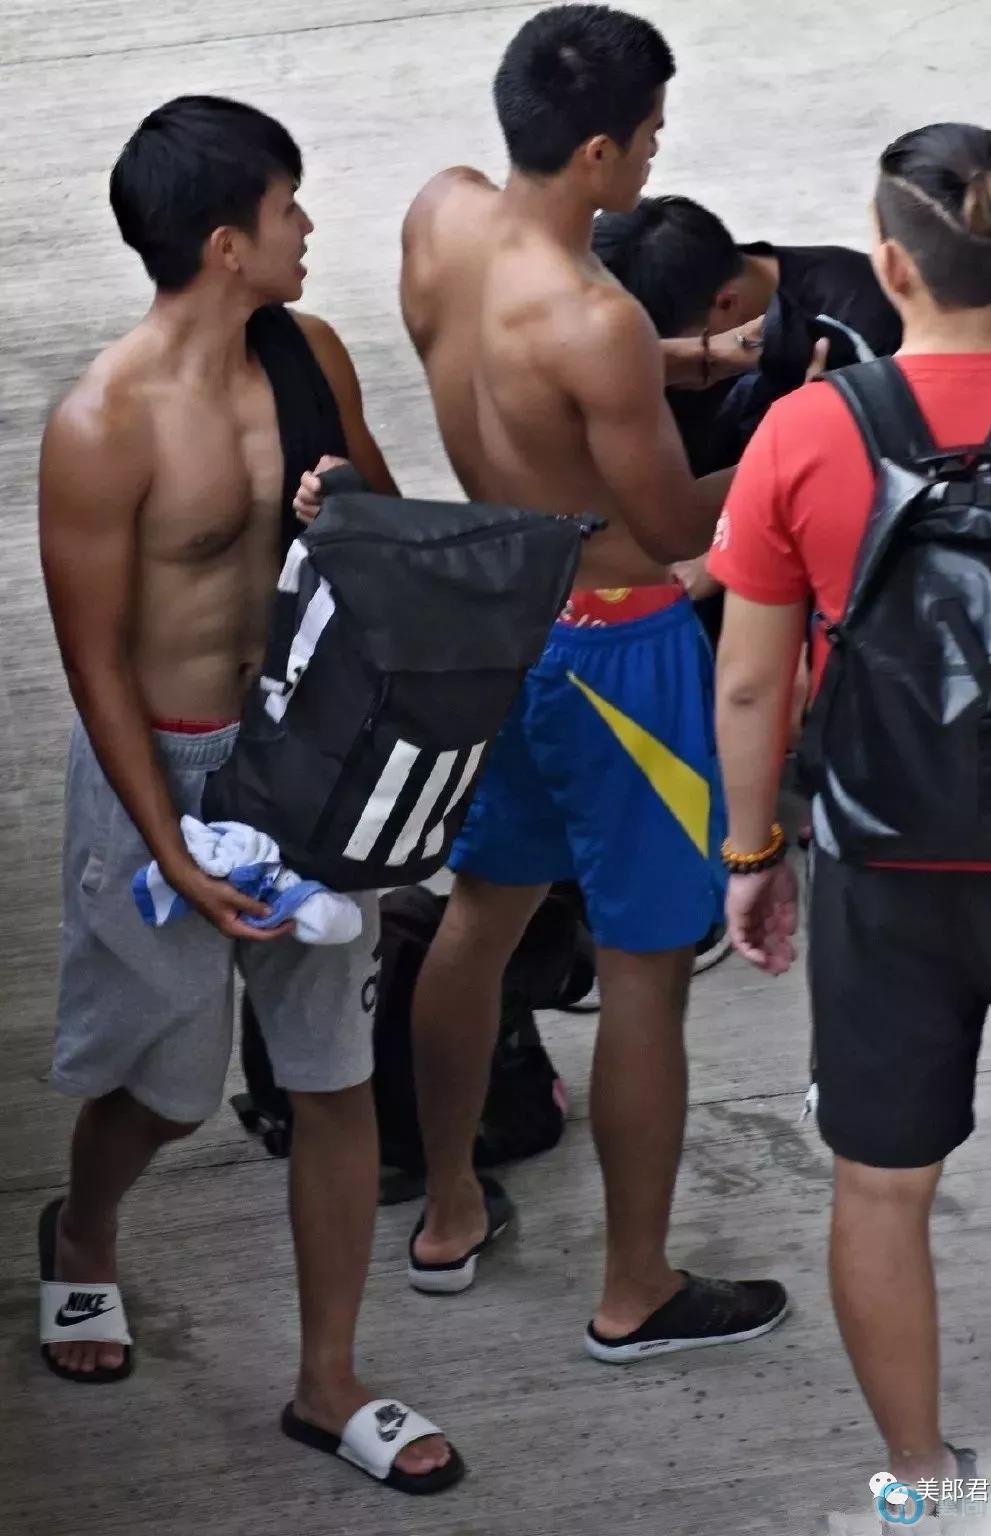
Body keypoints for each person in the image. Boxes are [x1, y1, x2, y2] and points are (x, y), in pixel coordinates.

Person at [38, 95, 463, 1495]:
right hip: (162, 766)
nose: (308, 227)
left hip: (304, 761)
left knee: (334, 1075)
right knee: (165, 1086)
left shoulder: (308, 355)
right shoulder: (102, 425)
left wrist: (346, 513)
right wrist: (169, 844)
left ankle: (327, 1381)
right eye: (288, 209)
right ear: (227, 244)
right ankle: (84, 1230)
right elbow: (94, 664)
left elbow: (398, 539)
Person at [394, 3, 787, 1362]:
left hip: (500, 612)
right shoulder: (597, 318)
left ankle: (449, 1210)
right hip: (618, 650)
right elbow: (676, 526)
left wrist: (686, 361)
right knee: (644, 974)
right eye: (653, 136)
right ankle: (635, 1290)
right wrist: (800, 434)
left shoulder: (441, 216)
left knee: (478, 919)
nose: (659, 155)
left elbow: (530, 383)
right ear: (602, 153)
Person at [708, 122, 991, 1493]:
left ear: (890, 265)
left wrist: (753, 850)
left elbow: (748, 685)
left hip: (883, 864)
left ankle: (922, 1482)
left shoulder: (805, 429)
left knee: (881, 1188)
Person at [593, 194, 902, 641]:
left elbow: (881, 491)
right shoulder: (661, 309)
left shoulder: (857, 318)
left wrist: (723, 555)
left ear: (725, 304)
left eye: (683, 355)